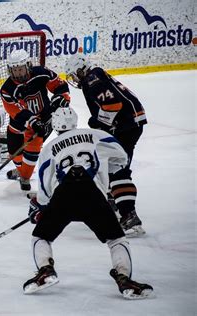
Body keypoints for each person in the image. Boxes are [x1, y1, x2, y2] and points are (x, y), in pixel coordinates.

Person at [23, 107, 153, 299]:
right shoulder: (96, 135)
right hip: (93, 194)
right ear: (76, 121)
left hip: (64, 194)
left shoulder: (50, 147)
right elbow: (122, 156)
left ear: (56, 126)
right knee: (116, 239)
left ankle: (45, 272)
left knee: (40, 237)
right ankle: (124, 279)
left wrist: (42, 205)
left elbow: (43, 178)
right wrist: (109, 169)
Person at [64, 55, 146, 236]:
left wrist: (98, 122)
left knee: (117, 168)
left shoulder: (92, 79)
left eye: (75, 75)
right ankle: (115, 202)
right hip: (129, 124)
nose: (75, 80)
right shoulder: (94, 76)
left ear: (81, 70)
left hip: (126, 126)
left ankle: (129, 215)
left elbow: (113, 104)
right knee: (110, 164)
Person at [0, 49, 70, 192]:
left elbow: (60, 86)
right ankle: (21, 170)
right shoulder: (7, 89)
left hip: (43, 118)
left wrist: (60, 98)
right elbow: (16, 112)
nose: (18, 73)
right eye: (15, 70)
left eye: (20, 69)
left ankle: (25, 175)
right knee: (14, 152)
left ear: (28, 66)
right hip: (19, 123)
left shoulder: (42, 73)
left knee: (33, 146)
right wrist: (32, 121)